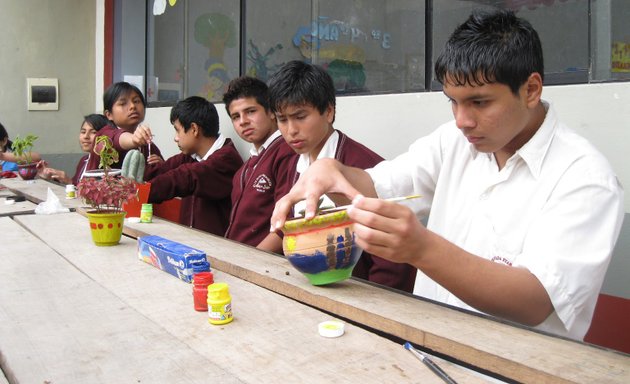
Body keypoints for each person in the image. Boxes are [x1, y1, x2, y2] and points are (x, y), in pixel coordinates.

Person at [270, 9, 624, 340]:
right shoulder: (453, 142)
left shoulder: (584, 178)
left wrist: (422, 249)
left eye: (480, 102)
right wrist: (330, 170)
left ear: (530, 89)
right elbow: (378, 186)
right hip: (428, 351)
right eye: (452, 101)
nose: (462, 120)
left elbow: (534, 302)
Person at [267, 60, 417, 293]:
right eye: (282, 119)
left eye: (300, 116)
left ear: (328, 111)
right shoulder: (291, 163)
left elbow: (393, 264)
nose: (290, 130)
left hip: (359, 296)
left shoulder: (365, 170)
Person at [144, 96, 243, 236]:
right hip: (190, 245)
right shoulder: (191, 156)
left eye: (177, 130)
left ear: (194, 129)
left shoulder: (227, 160)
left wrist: (140, 193)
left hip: (216, 250)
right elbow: (160, 172)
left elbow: (184, 177)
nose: (175, 138)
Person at [222, 76, 298, 253]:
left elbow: (287, 225)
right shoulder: (245, 168)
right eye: (235, 116)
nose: (243, 121)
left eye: (250, 111)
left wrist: (251, 263)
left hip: (263, 267)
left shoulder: (287, 152)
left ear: (271, 112)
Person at [85, 82, 163, 171]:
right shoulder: (104, 135)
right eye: (123, 103)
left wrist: (161, 166)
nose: (133, 106)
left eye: (136, 101)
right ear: (109, 114)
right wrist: (133, 139)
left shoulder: (148, 145)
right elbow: (115, 139)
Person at [38, 114, 110, 185]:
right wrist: (51, 174)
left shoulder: (105, 163)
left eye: (93, 132)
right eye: (83, 132)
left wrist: (68, 181)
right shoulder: (84, 160)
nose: (86, 136)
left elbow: (95, 193)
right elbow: (76, 185)